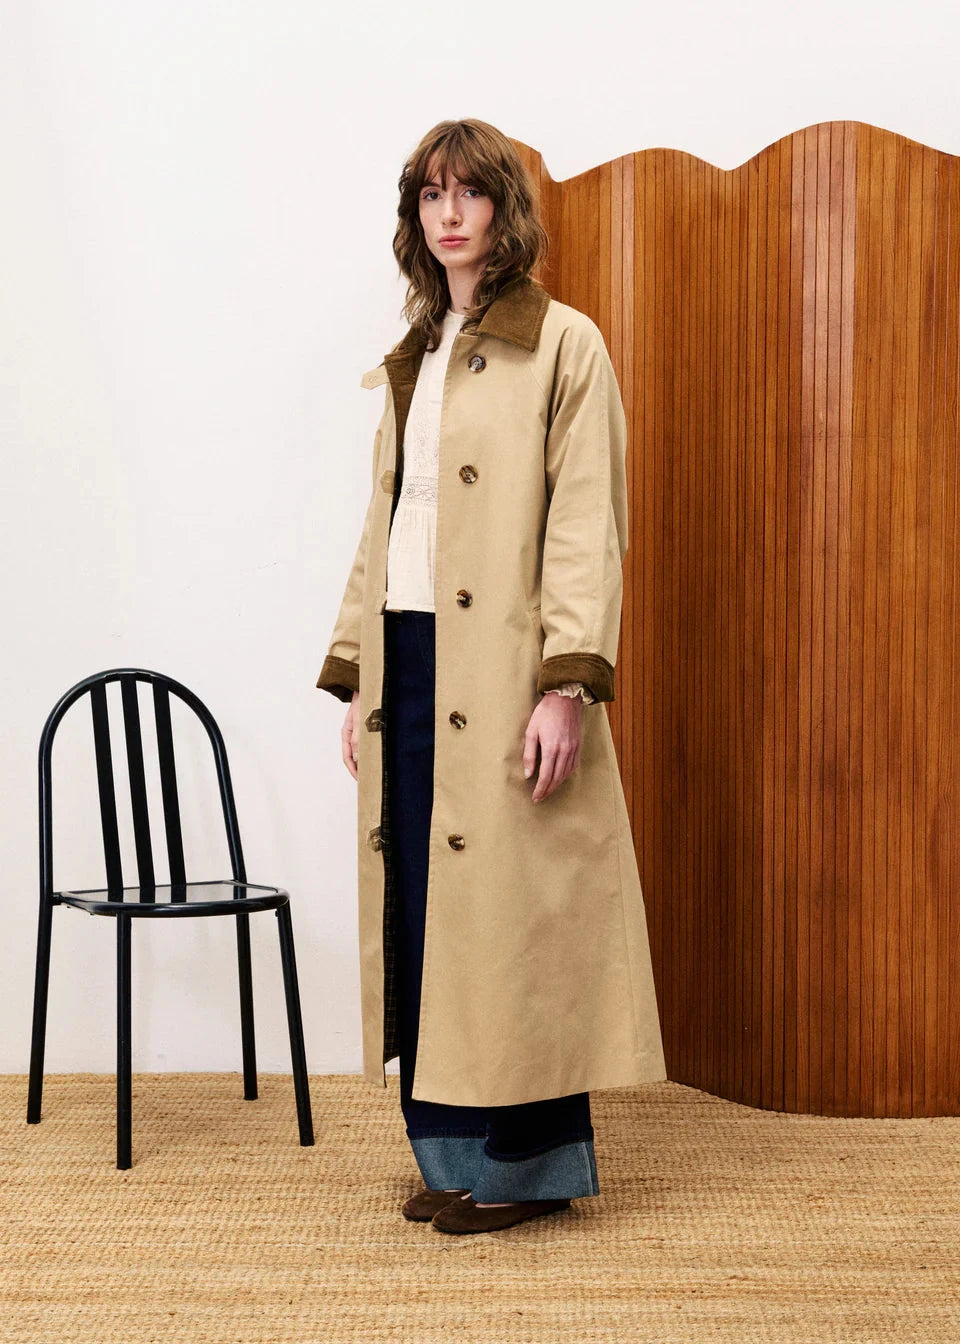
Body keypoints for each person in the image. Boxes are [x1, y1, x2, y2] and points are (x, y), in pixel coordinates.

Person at [316, 118, 667, 1234]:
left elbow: (586, 524)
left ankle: (526, 1169)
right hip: (412, 662)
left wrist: (567, 684)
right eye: (431, 195)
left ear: (503, 208)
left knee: (516, 921)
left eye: (468, 191)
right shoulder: (417, 351)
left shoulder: (563, 343)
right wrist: (358, 675)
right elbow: (385, 527)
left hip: (508, 670)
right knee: (427, 915)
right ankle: (451, 1156)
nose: (449, 213)